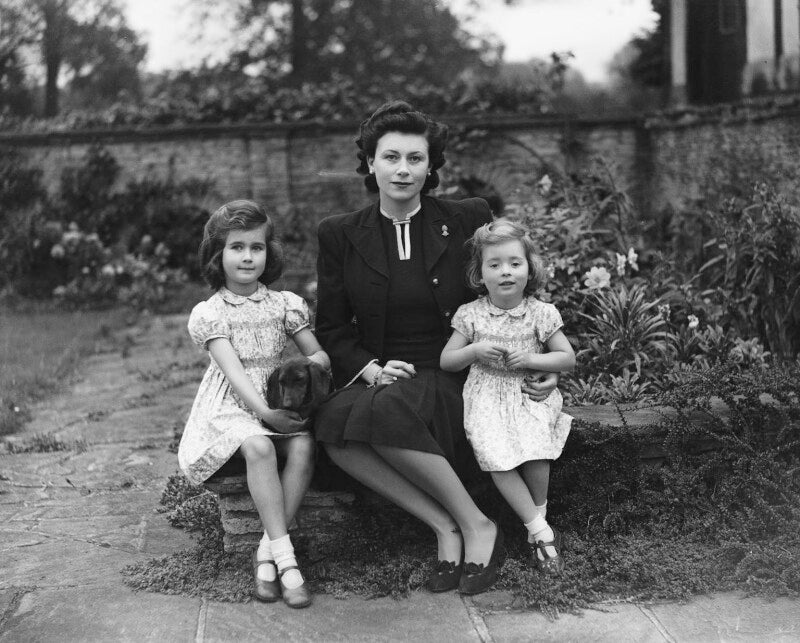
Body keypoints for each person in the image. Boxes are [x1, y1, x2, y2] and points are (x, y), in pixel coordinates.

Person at [313, 101, 559, 595]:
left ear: (432, 167)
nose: (403, 170)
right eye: (390, 157)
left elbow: (511, 295)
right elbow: (333, 328)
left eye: (416, 159)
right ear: (369, 164)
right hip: (386, 372)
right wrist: (370, 369)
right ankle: (447, 523)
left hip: (454, 369)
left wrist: (540, 362)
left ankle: (477, 526)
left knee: (384, 413)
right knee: (332, 426)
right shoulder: (340, 233)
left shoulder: (468, 218)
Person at [178, 199, 330, 608]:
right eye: (236, 247)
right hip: (231, 406)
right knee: (260, 445)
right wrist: (264, 414)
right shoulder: (211, 312)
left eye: (257, 248)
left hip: (275, 398)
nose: (248, 257)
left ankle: (266, 554)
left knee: (302, 444)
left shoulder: (284, 304)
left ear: (270, 252)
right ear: (218, 254)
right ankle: (288, 560)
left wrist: (303, 369)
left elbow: (319, 356)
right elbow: (233, 372)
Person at [440, 219, 575, 574]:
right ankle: (540, 531)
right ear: (479, 273)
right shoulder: (470, 315)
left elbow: (567, 357)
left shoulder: (542, 313)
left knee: (535, 449)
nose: (505, 272)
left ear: (529, 269)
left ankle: (538, 520)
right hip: (486, 395)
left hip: (529, 393)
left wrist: (532, 358)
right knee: (496, 456)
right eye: (494, 264)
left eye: (515, 263)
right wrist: (474, 351)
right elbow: (447, 360)